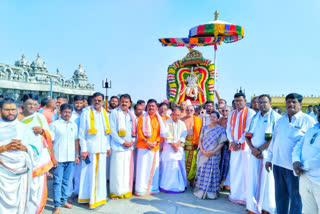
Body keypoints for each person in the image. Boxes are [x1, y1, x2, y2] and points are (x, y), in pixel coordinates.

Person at [266, 93, 315, 214]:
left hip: (295, 167)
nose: (291, 104)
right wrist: (269, 158)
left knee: (296, 198)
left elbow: (311, 144)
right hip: (278, 165)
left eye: (294, 102)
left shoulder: (308, 121)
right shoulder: (280, 120)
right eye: (288, 102)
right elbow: (274, 140)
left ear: (300, 104)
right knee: (280, 197)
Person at [0, 97, 39, 213]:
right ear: (0, 110)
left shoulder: (24, 128)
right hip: (2, 173)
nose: (11, 112)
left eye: (13, 109)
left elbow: (36, 149)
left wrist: (24, 148)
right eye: (7, 110)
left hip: (21, 172)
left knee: (20, 203)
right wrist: (4, 148)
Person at [18, 94, 56, 214]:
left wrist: (43, 131)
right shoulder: (15, 118)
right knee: (21, 189)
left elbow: (51, 136)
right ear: (22, 104)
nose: (32, 106)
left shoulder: (40, 117)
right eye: (29, 104)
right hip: (20, 160)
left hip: (38, 160)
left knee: (36, 190)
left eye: (35, 104)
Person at [245, 95, 281, 214]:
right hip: (254, 154)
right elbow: (247, 136)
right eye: (259, 102)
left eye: (264, 102)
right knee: (252, 180)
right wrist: (252, 149)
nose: (261, 105)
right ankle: (253, 207)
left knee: (268, 183)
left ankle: (267, 208)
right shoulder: (254, 118)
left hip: (267, 156)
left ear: (270, 103)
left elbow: (275, 138)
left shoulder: (276, 118)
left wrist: (260, 150)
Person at [78, 92, 111, 209]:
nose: (97, 102)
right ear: (92, 101)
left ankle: (99, 198)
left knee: (100, 175)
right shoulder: (86, 113)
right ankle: (89, 198)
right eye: (95, 100)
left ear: (102, 101)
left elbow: (107, 133)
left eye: (99, 100)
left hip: (101, 149)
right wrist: (84, 150)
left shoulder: (105, 113)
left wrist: (108, 147)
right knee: (89, 174)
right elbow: (81, 133)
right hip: (90, 150)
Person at [50, 104, 80, 214]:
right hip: (58, 158)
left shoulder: (73, 125)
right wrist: (52, 158)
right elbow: (50, 143)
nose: (67, 114)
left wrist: (77, 155)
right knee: (57, 182)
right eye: (65, 112)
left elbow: (76, 141)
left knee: (66, 181)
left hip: (70, 158)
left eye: (69, 112)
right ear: (60, 112)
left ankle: (63, 201)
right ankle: (57, 205)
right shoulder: (54, 125)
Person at [226, 92, 256, 205]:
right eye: (236, 101)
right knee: (234, 170)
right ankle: (235, 195)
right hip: (234, 147)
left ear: (245, 101)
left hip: (245, 147)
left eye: (240, 100)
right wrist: (232, 142)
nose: (238, 103)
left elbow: (248, 129)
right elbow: (228, 129)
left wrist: (239, 142)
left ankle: (245, 197)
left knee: (245, 171)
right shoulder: (232, 113)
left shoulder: (250, 112)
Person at [135, 99, 168, 195]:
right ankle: (141, 189)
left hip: (154, 146)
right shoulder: (141, 118)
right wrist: (147, 142)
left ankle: (152, 188)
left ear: (156, 108)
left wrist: (155, 142)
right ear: (146, 107)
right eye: (149, 105)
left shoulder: (160, 119)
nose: (151, 107)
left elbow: (161, 133)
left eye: (153, 106)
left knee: (153, 169)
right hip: (143, 146)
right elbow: (139, 132)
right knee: (142, 168)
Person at [193, 111, 227, 199]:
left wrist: (213, 152)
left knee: (213, 172)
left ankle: (211, 193)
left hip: (214, 154)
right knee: (202, 171)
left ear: (218, 119)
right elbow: (200, 139)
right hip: (203, 153)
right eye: (211, 117)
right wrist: (202, 150)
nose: (212, 118)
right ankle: (200, 191)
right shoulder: (204, 128)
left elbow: (222, 142)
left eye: (214, 117)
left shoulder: (221, 129)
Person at [292, 111, 320, 214]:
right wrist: (296, 160)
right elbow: (299, 145)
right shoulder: (312, 129)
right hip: (305, 178)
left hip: (317, 179)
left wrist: (303, 167)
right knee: (308, 211)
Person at [109, 94, 136, 199]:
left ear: (129, 103)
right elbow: (112, 131)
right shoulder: (114, 113)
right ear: (119, 102)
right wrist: (122, 142)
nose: (124, 103)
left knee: (126, 171)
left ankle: (125, 191)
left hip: (129, 148)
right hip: (118, 147)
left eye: (126, 102)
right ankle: (115, 192)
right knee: (117, 171)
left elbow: (135, 130)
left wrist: (132, 141)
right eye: (123, 101)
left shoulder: (132, 115)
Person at [160, 107, 187, 193]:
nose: (176, 117)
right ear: (172, 114)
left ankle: (179, 185)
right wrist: (173, 144)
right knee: (169, 167)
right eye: (175, 115)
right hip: (169, 148)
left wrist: (177, 144)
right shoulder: (166, 123)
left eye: (178, 115)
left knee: (178, 167)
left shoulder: (182, 123)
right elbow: (165, 135)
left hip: (178, 148)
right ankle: (167, 186)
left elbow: (184, 134)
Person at [181, 105, 202, 188]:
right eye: (187, 110)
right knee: (183, 162)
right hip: (183, 143)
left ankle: (192, 179)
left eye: (191, 110)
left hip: (194, 142)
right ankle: (184, 180)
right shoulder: (181, 120)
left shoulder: (198, 120)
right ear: (185, 111)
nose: (189, 111)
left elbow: (201, 131)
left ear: (194, 111)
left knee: (193, 163)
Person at [68, 95, 84, 198]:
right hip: (72, 144)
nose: (78, 105)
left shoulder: (85, 113)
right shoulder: (70, 114)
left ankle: (78, 191)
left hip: (83, 145)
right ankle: (68, 193)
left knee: (80, 170)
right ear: (73, 103)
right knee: (71, 171)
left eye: (80, 103)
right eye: (76, 103)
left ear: (84, 103)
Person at [218, 105, 231, 189]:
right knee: (220, 163)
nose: (224, 113)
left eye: (226, 111)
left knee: (227, 164)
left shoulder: (232, 120)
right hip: (220, 145)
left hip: (229, 145)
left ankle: (227, 183)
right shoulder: (219, 120)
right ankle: (220, 182)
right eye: (223, 111)